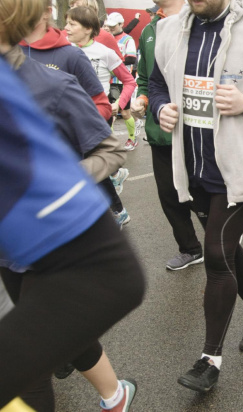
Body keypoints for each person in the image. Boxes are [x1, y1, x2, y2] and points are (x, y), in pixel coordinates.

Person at [148, 0, 243, 392]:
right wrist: (159, 107)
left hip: (239, 168)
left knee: (217, 256)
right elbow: (156, 84)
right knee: (227, 248)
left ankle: (209, 360)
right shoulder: (169, 31)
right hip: (193, 167)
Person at [0, 4, 144, 411]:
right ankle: (115, 396)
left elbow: (108, 143)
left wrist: (63, 184)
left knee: (29, 370)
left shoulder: (55, 78)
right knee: (60, 338)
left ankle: (114, 397)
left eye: (73, 22)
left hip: (58, 241)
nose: (67, 27)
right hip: (9, 250)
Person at [131, 0, 205, 271]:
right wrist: (141, 99)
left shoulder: (202, 20)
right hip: (161, 131)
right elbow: (144, 78)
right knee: (169, 195)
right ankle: (190, 248)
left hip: (197, 129)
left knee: (204, 191)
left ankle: (223, 241)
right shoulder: (150, 30)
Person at [65, 6, 137, 228]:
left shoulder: (104, 52)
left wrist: (118, 103)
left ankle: (117, 211)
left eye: (71, 24)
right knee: (82, 165)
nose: (65, 27)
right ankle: (115, 178)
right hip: (72, 115)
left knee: (90, 165)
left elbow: (129, 81)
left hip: (98, 115)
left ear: (88, 29)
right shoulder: (65, 50)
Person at [20, 0, 111, 120]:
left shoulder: (72, 55)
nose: (17, 12)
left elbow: (102, 106)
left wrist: (70, 126)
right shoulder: (7, 52)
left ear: (47, 12)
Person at [105, 12, 139, 151]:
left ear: (121, 24)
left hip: (122, 81)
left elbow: (131, 58)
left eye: (113, 26)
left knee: (125, 113)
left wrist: (113, 61)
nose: (111, 28)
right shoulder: (106, 38)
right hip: (107, 80)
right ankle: (111, 141)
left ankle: (132, 138)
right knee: (108, 112)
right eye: (109, 26)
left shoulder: (127, 39)